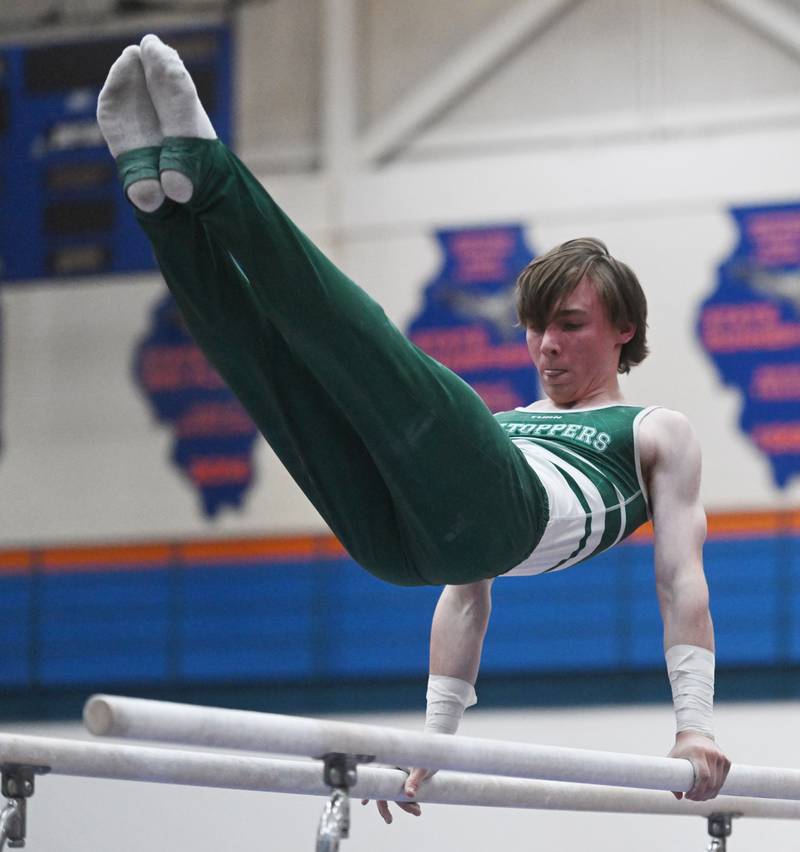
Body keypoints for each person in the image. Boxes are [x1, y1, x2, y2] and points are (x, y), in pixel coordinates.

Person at [96, 35, 731, 821]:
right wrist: (437, 740)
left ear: (625, 331)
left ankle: (213, 172)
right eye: (535, 328)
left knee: (350, 343)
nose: (546, 346)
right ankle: (164, 210)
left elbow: (679, 576)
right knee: (277, 376)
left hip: (499, 515)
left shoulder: (658, 430)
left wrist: (693, 727)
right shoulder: (507, 426)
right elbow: (467, 597)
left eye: (568, 325)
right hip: (417, 545)